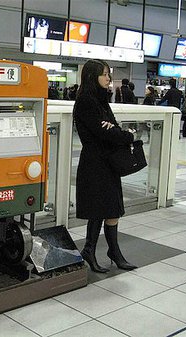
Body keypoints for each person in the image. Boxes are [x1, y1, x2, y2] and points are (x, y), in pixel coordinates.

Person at [73, 59, 137, 273]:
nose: (109, 79)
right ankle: (91, 250)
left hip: (106, 162)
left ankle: (111, 251)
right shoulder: (86, 101)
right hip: (95, 164)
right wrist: (126, 135)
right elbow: (105, 131)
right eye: (105, 75)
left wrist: (115, 131)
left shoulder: (100, 100)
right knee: (100, 209)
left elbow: (112, 127)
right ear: (93, 77)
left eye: (109, 75)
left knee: (112, 209)